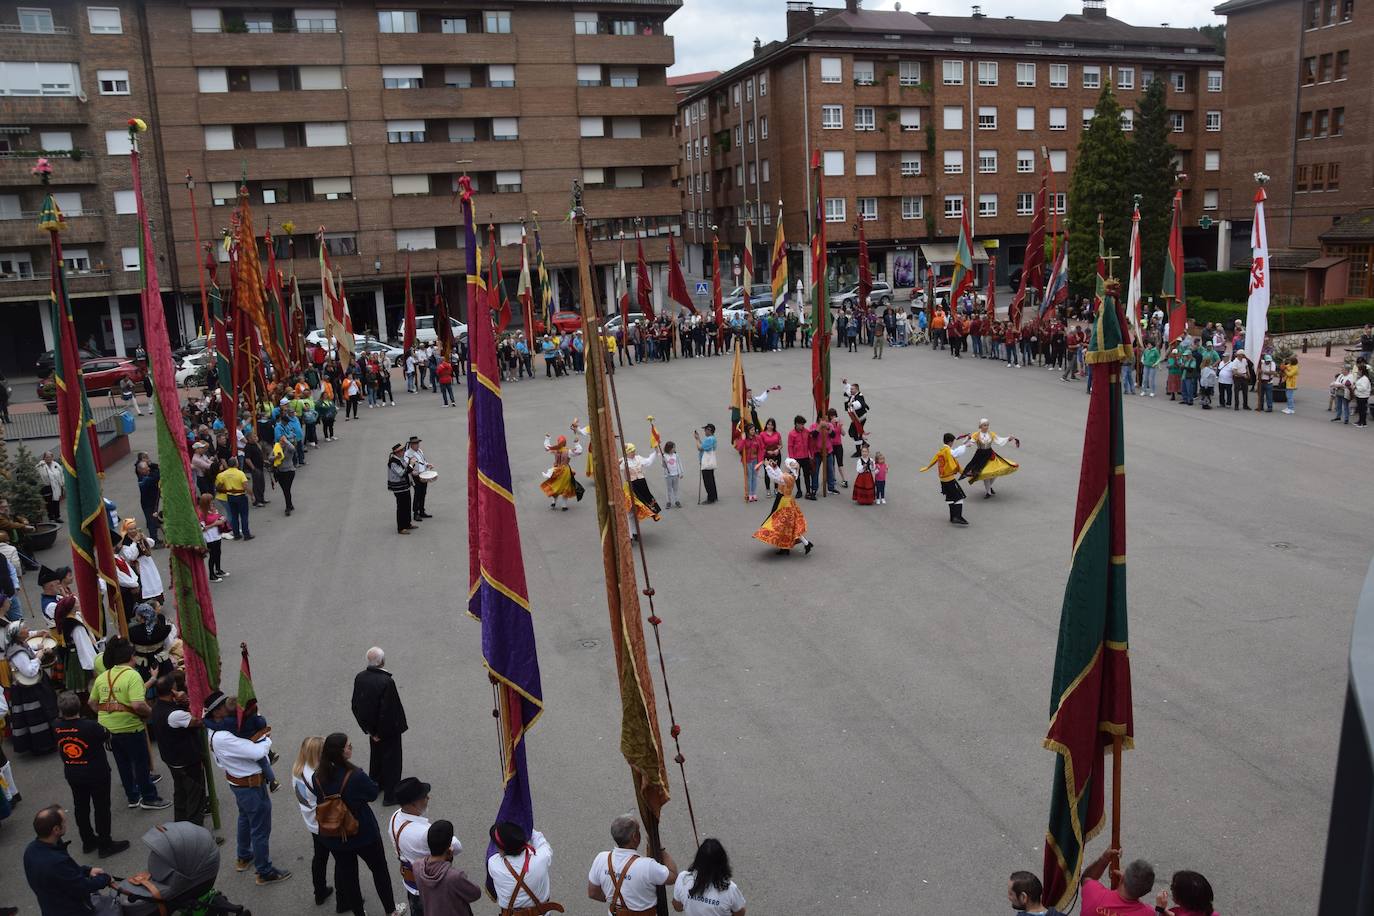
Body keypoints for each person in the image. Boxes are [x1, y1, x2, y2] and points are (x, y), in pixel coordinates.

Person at [205, 690, 291, 884]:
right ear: (217, 712)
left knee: (245, 818)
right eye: (223, 707)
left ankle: (244, 856)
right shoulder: (223, 736)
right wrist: (265, 736)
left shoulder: (217, 729)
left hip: (239, 782)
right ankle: (264, 871)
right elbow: (257, 751)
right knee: (260, 829)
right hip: (249, 785)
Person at [314, 732, 397, 916]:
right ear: (341, 752)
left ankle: (359, 913)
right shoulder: (355, 775)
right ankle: (391, 910)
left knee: (348, 876)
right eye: (348, 746)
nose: (351, 747)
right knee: (379, 870)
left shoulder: (317, 776)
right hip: (362, 832)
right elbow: (373, 793)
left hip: (335, 835)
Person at [87, 636, 170, 810]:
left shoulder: (104, 676)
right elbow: (138, 704)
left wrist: (106, 717)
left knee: (123, 764)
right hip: (130, 726)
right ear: (130, 657)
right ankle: (149, 797)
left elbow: (92, 703)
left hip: (108, 729)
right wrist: (153, 714)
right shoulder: (133, 675)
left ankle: (132, 797)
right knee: (140, 762)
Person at [54, 691, 130, 858]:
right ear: (79, 707)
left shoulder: (57, 725)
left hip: (73, 772)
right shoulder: (89, 726)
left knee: (80, 807)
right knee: (101, 807)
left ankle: (87, 841)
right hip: (96, 773)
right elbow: (106, 735)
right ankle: (105, 843)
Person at [23, 805, 121, 914]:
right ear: (56, 829)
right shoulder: (56, 862)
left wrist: (87, 871)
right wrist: (105, 879)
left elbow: (64, 875)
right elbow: (82, 887)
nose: (66, 824)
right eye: (64, 822)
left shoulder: (31, 850)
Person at [389, 776, 459, 916]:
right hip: (430, 888)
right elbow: (457, 846)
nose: (428, 798)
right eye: (424, 796)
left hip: (411, 883)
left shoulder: (395, 816)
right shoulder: (423, 833)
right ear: (413, 803)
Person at [351, 646, 409, 806]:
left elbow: (356, 706)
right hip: (388, 731)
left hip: (372, 729)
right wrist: (381, 732)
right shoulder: (386, 682)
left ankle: (376, 786)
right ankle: (391, 795)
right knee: (392, 761)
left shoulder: (360, 677)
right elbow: (388, 711)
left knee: (376, 758)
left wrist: (370, 731)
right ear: (382, 661)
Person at [148, 674, 206, 827]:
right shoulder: (175, 714)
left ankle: (179, 828)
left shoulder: (156, 708)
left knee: (181, 796)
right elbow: (198, 721)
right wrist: (187, 700)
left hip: (172, 760)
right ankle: (197, 837)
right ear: (172, 691)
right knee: (195, 798)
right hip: (186, 762)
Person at [291, 736, 336, 906]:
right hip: (326, 822)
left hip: (312, 822)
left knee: (319, 858)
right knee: (342, 860)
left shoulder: (298, 769)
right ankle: (345, 897)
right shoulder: (318, 775)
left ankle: (320, 892)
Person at [4, 620, 60, 755]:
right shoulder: (17, 652)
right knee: (38, 716)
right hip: (28, 690)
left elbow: (30, 650)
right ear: (18, 634)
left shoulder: (21, 644)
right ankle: (42, 745)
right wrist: (39, 657)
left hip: (35, 686)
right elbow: (29, 671)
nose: (28, 630)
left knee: (45, 712)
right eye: (25, 629)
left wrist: (39, 648)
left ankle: (49, 742)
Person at [487, 820, 556, 916]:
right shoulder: (542, 857)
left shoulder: (493, 864)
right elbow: (540, 840)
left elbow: (494, 855)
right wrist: (526, 825)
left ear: (502, 849)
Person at [417, 820, 483, 916]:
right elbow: (475, 894)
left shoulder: (417, 866)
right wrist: (449, 860)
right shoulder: (454, 876)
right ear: (449, 846)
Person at [753, 458, 813, 556]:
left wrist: (768, 467)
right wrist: (775, 467)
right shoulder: (791, 475)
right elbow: (779, 475)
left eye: (785, 465)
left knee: (780, 525)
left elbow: (775, 478)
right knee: (787, 526)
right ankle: (803, 544)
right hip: (787, 501)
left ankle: (789, 547)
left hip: (785, 503)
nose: (784, 466)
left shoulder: (787, 477)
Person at [672, 838, 745, 916]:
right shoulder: (730, 889)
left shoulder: (683, 878)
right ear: (723, 862)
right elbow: (740, 913)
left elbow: (678, 907)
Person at [1079, 846, 1155, 915]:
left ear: (1122, 878)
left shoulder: (1093, 893)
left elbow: (1086, 877)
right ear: (1147, 891)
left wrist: (1104, 858)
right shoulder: (1150, 913)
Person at [958, 419, 1020, 499]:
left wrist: (1008, 439)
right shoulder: (976, 434)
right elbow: (970, 442)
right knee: (985, 474)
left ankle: (989, 487)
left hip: (990, 455)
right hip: (980, 456)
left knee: (995, 472)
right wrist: (968, 441)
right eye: (984, 425)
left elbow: (999, 440)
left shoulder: (991, 434)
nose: (986, 427)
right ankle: (988, 492)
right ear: (980, 426)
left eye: (987, 425)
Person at [920, 433, 971, 525]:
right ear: (951, 442)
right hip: (949, 479)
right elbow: (955, 454)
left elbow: (952, 453)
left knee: (950, 498)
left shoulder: (941, 451)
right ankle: (957, 517)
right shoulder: (947, 451)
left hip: (943, 480)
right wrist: (966, 445)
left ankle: (952, 517)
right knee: (959, 498)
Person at [621, 443, 662, 537]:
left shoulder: (638, 458)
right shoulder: (623, 461)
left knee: (637, 510)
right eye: (631, 451)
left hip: (642, 486)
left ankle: (635, 532)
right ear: (627, 452)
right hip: (631, 487)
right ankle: (630, 534)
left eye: (634, 450)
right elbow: (614, 468)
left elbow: (648, 461)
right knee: (630, 510)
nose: (634, 452)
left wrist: (655, 452)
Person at [541, 426, 584, 511]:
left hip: (556, 470)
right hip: (565, 471)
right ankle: (564, 506)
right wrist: (577, 443)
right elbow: (579, 451)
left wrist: (547, 438)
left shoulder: (555, 450)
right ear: (565, 443)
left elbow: (547, 447)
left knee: (555, 486)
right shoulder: (568, 451)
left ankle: (553, 502)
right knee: (565, 487)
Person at [216, 457, 253, 540]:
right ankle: (246, 534)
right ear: (236, 464)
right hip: (240, 496)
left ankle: (236, 534)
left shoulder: (224, 474)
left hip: (230, 496)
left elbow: (218, 487)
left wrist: (228, 489)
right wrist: (252, 495)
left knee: (234, 516)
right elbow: (245, 486)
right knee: (244, 516)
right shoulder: (240, 473)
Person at [197, 492, 227, 582]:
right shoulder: (201, 513)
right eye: (210, 501)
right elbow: (202, 528)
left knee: (218, 552)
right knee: (213, 555)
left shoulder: (213, 509)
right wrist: (215, 523)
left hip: (217, 535)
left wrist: (222, 519)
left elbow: (220, 516)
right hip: (210, 537)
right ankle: (212, 575)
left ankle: (218, 570)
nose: (212, 502)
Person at [405, 436, 434, 523]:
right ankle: (416, 513)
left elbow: (423, 461)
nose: (417, 445)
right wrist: (413, 472)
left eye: (418, 443)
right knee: (417, 494)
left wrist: (428, 464)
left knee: (423, 493)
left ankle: (422, 511)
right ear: (411, 444)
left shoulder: (420, 451)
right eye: (415, 443)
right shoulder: (407, 454)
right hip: (416, 477)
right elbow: (407, 466)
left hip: (423, 475)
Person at [388, 443, 416, 535]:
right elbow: (402, 473)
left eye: (403, 450)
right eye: (401, 451)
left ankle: (407, 524)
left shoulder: (401, 459)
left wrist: (412, 466)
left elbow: (407, 470)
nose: (403, 452)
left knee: (407, 505)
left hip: (405, 487)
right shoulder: (393, 462)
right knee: (401, 507)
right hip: (399, 488)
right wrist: (411, 464)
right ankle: (401, 528)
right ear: (396, 452)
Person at [842, 380, 869, 457]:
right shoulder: (853, 393)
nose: (850, 390)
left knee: (855, 433)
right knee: (852, 432)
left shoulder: (860, 396)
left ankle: (858, 451)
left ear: (857, 389)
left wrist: (852, 404)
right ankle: (864, 443)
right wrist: (846, 384)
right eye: (851, 389)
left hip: (860, 419)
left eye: (852, 389)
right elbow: (848, 390)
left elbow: (860, 403)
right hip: (855, 418)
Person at [271, 433, 297, 516]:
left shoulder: (289, 447)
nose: (282, 442)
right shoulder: (276, 447)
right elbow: (269, 457)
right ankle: (290, 504)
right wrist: (275, 457)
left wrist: (286, 441)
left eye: (283, 441)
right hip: (279, 472)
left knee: (286, 489)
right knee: (285, 490)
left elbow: (293, 449)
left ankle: (288, 508)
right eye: (280, 441)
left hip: (289, 471)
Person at [35, 451, 63, 523]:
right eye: (47, 457)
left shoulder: (56, 464)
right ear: (44, 458)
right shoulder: (40, 465)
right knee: (49, 503)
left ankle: (57, 517)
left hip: (56, 486)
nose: (48, 458)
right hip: (46, 487)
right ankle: (51, 517)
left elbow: (61, 474)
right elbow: (39, 476)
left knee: (56, 502)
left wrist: (62, 483)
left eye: (50, 457)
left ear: (52, 457)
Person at [693, 425, 718, 504]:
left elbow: (700, 448)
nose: (704, 432)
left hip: (706, 462)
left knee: (708, 481)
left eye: (705, 430)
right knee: (711, 479)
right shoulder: (711, 439)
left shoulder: (709, 439)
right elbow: (703, 445)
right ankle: (714, 496)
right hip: (710, 462)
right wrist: (698, 438)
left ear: (709, 430)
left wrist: (696, 440)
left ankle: (710, 498)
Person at [662, 440, 686, 509]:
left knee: (675, 488)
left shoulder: (676, 455)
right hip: (668, 476)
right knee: (669, 489)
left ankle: (676, 500)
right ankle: (668, 502)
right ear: (669, 448)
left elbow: (679, 464)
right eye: (673, 448)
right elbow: (663, 466)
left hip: (676, 474)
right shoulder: (665, 456)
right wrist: (663, 461)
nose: (674, 449)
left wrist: (681, 472)